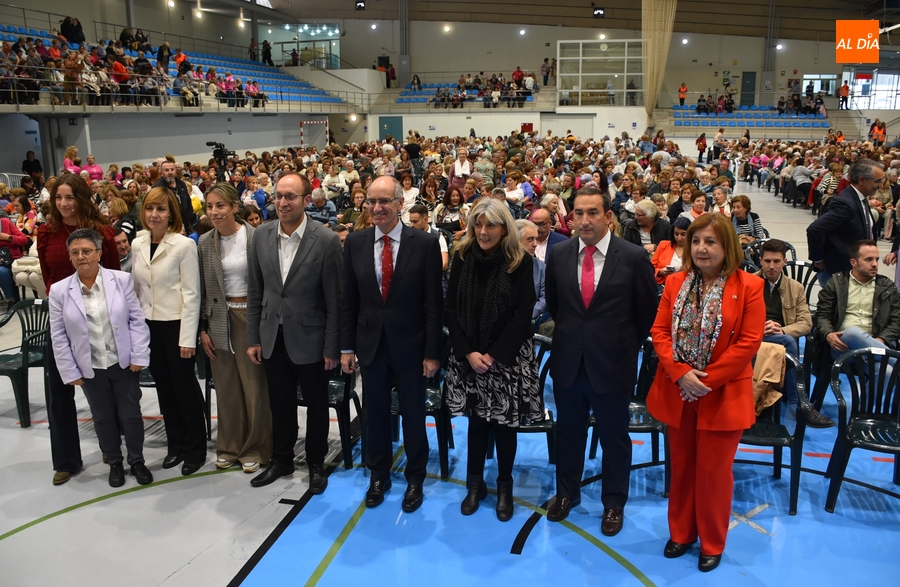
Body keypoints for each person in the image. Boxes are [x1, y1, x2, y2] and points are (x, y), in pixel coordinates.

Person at [647, 212, 765, 573]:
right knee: (681, 469)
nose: (700, 248)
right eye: (696, 241)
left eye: (710, 242)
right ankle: (681, 533)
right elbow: (660, 332)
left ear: (727, 245)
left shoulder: (749, 286)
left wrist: (705, 380)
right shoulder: (675, 282)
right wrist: (682, 373)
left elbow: (748, 343)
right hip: (678, 391)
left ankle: (712, 541)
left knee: (714, 474)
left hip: (722, 395)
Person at [544, 187, 658, 535]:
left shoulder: (634, 257)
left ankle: (613, 503)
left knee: (614, 438)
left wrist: (623, 346)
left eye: (592, 212)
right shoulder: (559, 254)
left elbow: (646, 313)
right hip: (569, 362)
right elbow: (555, 306)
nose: (584, 220)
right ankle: (567, 493)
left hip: (613, 364)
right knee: (568, 433)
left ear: (608, 216)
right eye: (578, 213)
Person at [340, 176, 443, 513]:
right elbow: (348, 301)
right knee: (376, 414)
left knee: (414, 415)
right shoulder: (355, 243)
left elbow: (433, 304)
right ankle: (378, 474)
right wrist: (346, 348)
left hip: (412, 346)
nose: (377, 208)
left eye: (384, 201)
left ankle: (415, 477)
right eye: (371, 201)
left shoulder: (424, 244)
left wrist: (432, 353)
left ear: (401, 204)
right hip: (370, 344)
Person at [245, 172, 342, 490]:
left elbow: (334, 300)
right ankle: (282, 459)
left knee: (316, 405)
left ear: (305, 199)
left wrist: (331, 346)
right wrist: (253, 337)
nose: (283, 202)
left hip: (312, 339)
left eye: (290, 196)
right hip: (273, 335)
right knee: (280, 403)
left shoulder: (325, 240)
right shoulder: (260, 236)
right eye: (279, 196)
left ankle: (316, 462)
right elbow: (255, 291)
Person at [445, 199, 539, 521]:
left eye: (491, 225)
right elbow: (452, 309)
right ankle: (475, 486)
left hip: (507, 358)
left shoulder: (520, 261)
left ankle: (504, 487)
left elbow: (522, 314)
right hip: (470, 356)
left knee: (504, 426)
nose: (483, 232)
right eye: (478, 225)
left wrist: (495, 354)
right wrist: (469, 352)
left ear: (504, 227)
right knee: (476, 423)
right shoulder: (461, 257)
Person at [49, 228, 153, 488]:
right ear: (70, 257)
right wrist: (70, 371)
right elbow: (59, 335)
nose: (82, 257)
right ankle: (115, 462)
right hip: (90, 368)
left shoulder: (121, 280)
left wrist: (139, 354)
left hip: (123, 363)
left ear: (98, 253)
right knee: (103, 417)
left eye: (87, 251)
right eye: (75, 253)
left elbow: (136, 321)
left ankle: (137, 460)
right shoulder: (60, 291)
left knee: (131, 414)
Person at [38, 175, 120, 485]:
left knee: (104, 389)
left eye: (69, 197)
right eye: (58, 197)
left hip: (99, 322)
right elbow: (49, 280)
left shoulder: (102, 233)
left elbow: (114, 278)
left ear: (82, 198)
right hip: (62, 322)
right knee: (59, 394)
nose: (63, 203)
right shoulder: (46, 233)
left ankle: (111, 449)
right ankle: (66, 460)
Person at [131, 187, 206, 476]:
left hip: (176, 326)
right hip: (149, 326)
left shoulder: (184, 245)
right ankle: (174, 444)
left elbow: (191, 294)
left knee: (185, 390)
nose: (154, 215)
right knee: (164, 390)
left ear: (171, 213)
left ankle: (195, 449)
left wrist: (188, 337)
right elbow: (138, 290)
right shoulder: (138, 243)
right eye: (150, 209)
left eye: (161, 209)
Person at [198, 183, 272, 474]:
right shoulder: (204, 242)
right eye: (210, 206)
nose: (214, 212)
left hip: (249, 318)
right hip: (218, 319)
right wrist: (203, 328)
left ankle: (256, 447)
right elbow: (202, 289)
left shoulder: (257, 237)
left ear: (234, 208)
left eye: (220, 206)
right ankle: (229, 446)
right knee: (226, 388)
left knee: (254, 388)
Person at [757, 239, 834, 427]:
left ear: (784, 261)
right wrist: (760, 327)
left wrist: (782, 329)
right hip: (754, 336)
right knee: (788, 342)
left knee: (786, 339)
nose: (771, 266)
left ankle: (797, 402)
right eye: (767, 261)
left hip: (780, 336)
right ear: (760, 261)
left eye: (776, 261)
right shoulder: (748, 283)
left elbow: (806, 323)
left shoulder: (796, 288)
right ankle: (800, 404)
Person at [817, 239, 900, 374]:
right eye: (868, 260)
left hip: (876, 346)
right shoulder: (836, 283)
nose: (875, 264)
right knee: (852, 333)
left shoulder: (887, 286)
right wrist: (828, 334)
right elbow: (822, 315)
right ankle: (896, 361)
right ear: (853, 262)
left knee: (887, 372)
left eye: (876, 259)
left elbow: (896, 321)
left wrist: (881, 340)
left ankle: (885, 364)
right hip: (842, 347)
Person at [807, 159, 882, 287]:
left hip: (853, 269)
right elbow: (815, 229)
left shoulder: (860, 199)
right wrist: (818, 259)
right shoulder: (845, 204)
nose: (880, 185)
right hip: (839, 271)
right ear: (862, 180)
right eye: (877, 181)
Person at [155, 159, 197, 233]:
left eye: (172, 169)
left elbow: (188, 204)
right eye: (167, 170)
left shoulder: (181, 184)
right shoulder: (158, 188)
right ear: (161, 173)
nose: (170, 172)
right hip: (169, 228)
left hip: (186, 225)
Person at [516, 218, 546, 320]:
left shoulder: (541, 267)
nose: (535, 244)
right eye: (530, 239)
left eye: (536, 239)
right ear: (515, 240)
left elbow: (545, 298)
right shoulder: (502, 265)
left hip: (531, 320)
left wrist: (527, 314)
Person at [651, 216, 690, 287]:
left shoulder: (694, 249)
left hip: (685, 286)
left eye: (683, 234)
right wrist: (660, 272)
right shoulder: (663, 245)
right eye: (676, 234)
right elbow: (650, 268)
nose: (679, 238)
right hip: (664, 285)